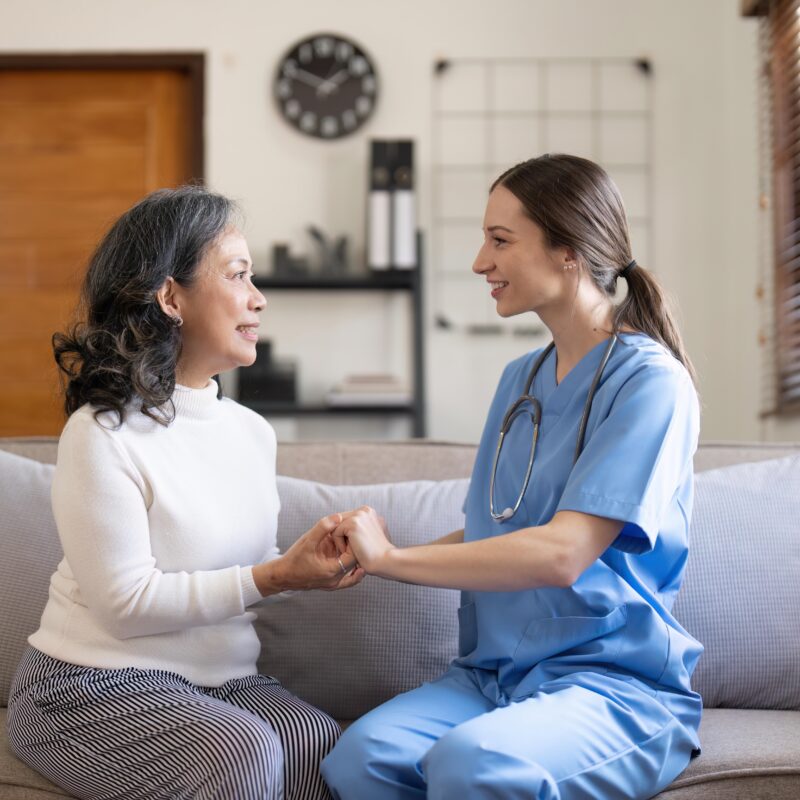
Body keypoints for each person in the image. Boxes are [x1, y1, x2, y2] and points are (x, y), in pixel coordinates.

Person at [322, 154, 703, 800]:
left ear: (568, 251)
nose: (479, 262)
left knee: (474, 763)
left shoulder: (651, 383)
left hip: (612, 686)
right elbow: (491, 530)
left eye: (500, 240)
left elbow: (561, 554)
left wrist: (393, 559)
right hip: (492, 677)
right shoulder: (518, 381)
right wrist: (379, 554)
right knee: (360, 759)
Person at [7, 186, 364, 800]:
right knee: (240, 751)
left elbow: (234, 581)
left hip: (220, 684)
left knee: (319, 744)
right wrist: (276, 576)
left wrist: (309, 568)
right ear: (170, 297)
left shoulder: (252, 434)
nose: (259, 298)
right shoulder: (102, 433)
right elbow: (126, 605)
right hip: (89, 686)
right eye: (239, 275)